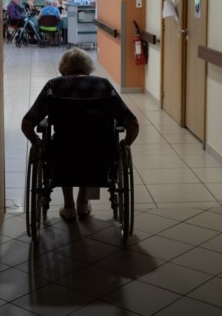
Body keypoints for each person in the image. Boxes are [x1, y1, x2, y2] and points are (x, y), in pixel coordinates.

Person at [21, 47, 139, 221]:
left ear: (63, 68)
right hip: (99, 153)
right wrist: (125, 144)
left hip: (62, 153)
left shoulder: (54, 86)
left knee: (66, 142)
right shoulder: (103, 85)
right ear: (88, 67)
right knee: (89, 139)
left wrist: (37, 142)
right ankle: (83, 202)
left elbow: (27, 123)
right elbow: (132, 123)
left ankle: (69, 206)